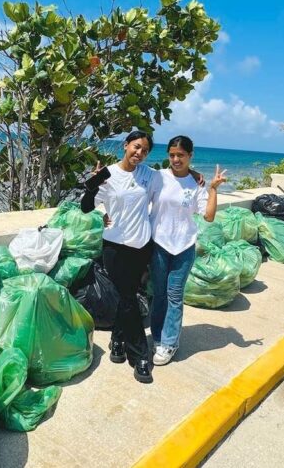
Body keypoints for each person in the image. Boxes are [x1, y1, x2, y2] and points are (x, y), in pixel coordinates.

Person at [80, 131, 157, 383]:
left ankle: (117, 341)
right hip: (114, 246)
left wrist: (197, 176)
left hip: (141, 245)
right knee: (128, 297)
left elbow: (176, 178)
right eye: (136, 147)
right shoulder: (109, 174)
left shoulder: (149, 175)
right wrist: (92, 185)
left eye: (145, 150)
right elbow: (86, 206)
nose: (139, 153)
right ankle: (140, 355)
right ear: (126, 146)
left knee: (128, 296)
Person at [149, 135, 227, 366]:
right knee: (158, 295)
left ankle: (170, 343)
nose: (175, 159)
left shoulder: (198, 184)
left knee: (174, 296)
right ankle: (157, 337)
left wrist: (212, 189)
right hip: (159, 245)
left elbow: (209, 216)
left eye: (180, 155)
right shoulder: (158, 177)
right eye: (172, 155)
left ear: (190, 156)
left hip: (183, 247)